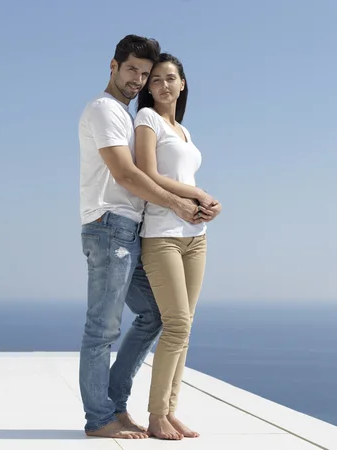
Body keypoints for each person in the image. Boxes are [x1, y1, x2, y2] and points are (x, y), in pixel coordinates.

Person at [77, 36, 201, 439]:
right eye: (133, 70)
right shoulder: (105, 110)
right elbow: (128, 175)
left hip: (130, 228)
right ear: (113, 66)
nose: (139, 79)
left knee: (156, 316)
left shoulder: (128, 116)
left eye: (144, 73)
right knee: (102, 329)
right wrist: (179, 203)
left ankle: (115, 406)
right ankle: (100, 419)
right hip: (109, 225)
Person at [134, 53, 222, 440]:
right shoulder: (147, 120)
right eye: (156, 80)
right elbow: (148, 173)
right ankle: (156, 415)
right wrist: (200, 193)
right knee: (177, 324)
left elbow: (180, 174)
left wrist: (207, 207)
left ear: (182, 83)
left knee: (186, 328)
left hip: (195, 239)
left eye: (170, 78)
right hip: (162, 235)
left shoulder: (184, 131)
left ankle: (170, 411)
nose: (163, 85)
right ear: (149, 88)